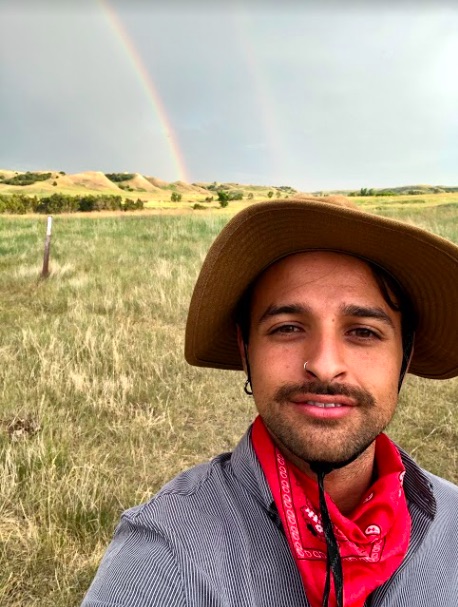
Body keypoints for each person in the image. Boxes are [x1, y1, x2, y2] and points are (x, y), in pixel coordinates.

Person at [82, 197, 458, 607]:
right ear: (246, 352)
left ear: (404, 356)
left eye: (363, 332)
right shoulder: (163, 557)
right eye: (289, 327)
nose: (325, 366)